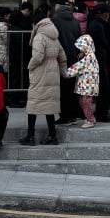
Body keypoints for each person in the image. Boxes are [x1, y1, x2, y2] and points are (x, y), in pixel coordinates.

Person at [19, 9, 66, 146]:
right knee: (49, 105)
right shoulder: (54, 36)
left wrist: (30, 66)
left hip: (41, 72)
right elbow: (62, 56)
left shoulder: (39, 36)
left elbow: (38, 57)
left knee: (33, 103)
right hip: (53, 71)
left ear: (36, 23)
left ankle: (30, 136)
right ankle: (52, 136)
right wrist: (63, 70)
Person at [51, 0, 82, 125]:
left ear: (57, 6)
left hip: (61, 58)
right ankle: (73, 114)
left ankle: (65, 116)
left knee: (63, 88)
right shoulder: (75, 20)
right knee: (72, 87)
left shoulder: (55, 19)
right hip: (73, 57)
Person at [63, 34, 99, 128]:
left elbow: (77, 67)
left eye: (81, 48)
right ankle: (91, 117)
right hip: (88, 84)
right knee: (84, 101)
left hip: (87, 84)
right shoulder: (91, 56)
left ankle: (90, 120)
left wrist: (66, 73)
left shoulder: (88, 58)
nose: (80, 50)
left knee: (85, 102)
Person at [85, 6, 110, 121]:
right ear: (102, 14)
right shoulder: (98, 26)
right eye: (107, 14)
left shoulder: (95, 24)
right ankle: (102, 114)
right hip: (97, 60)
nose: (108, 16)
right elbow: (101, 43)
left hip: (95, 59)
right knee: (103, 88)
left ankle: (100, 113)